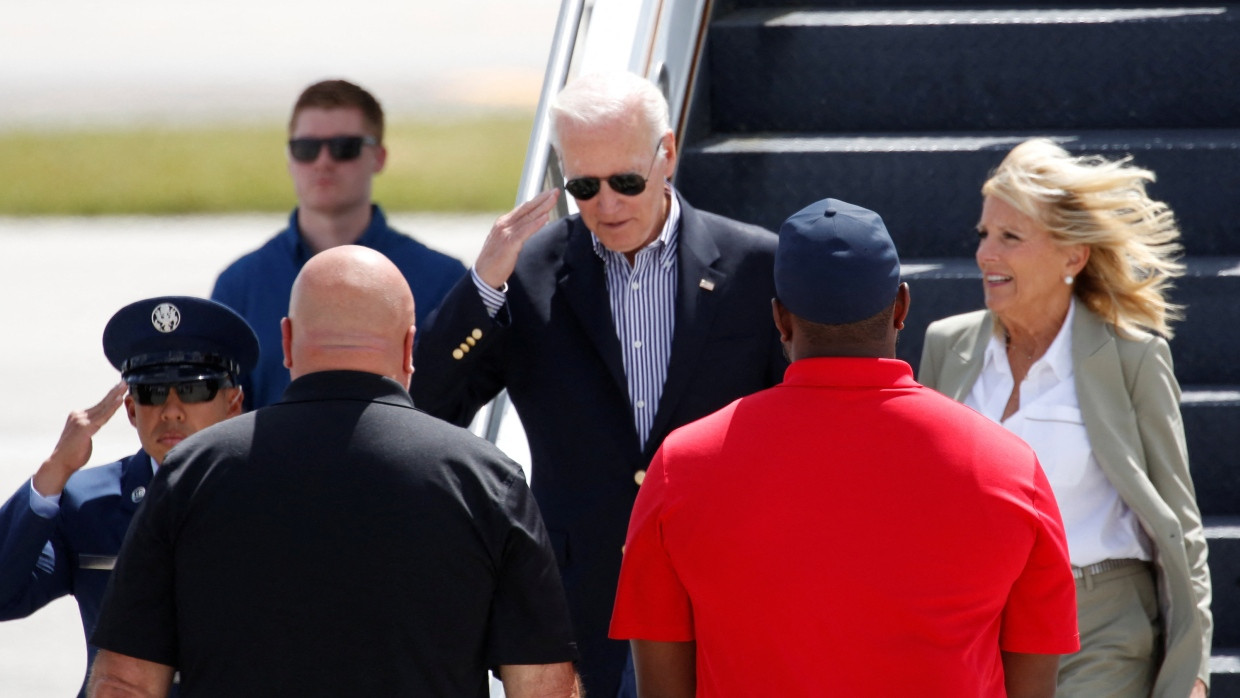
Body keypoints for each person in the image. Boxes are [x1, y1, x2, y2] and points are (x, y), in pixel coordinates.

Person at [410, 70, 786, 697]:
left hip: (724, 595)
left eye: (626, 182)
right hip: (582, 605)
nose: (606, 205)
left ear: (666, 153)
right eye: (583, 186)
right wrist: (483, 286)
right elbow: (427, 408)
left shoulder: (758, 266)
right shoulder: (526, 274)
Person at [609, 198, 1080, 697]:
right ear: (901, 307)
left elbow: (660, 684)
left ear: (781, 321)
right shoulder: (1010, 469)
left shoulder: (680, 467)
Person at [87, 246, 580, 698]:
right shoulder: (488, 482)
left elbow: (124, 683)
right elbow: (543, 687)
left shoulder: (189, 474)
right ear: (410, 349)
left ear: (286, 341)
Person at [919, 138, 1212, 698]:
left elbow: (1180, 524)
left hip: (1098, 627)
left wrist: (1190, 672)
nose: (986, 254)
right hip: (975, 628)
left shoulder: (1132, 357)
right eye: (984, 234)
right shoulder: (946, 345)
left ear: (1072, 257)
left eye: (1010, 237)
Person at [0, 296, 257, 697]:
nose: (171, 411)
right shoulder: (88, 502)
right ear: (132, 410)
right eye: (153, 393)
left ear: (234, 404)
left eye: (192, 390)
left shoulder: (269, 497)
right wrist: (53, 472)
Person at [211, 78, 467, 410]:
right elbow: (219, 417)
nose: (323, 162)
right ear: (289, 157)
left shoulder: (443, 281)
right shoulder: (240, 286)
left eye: (344, 147)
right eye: (306, 149)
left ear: (379, 157)